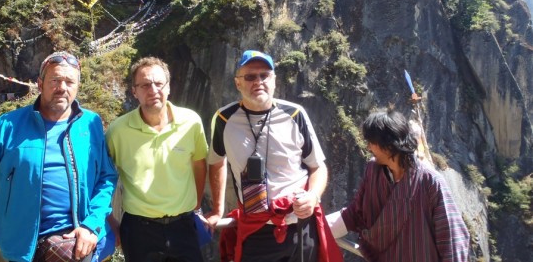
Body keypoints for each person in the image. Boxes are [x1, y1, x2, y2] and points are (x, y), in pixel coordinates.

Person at [0, 51, 118, 262]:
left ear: (77, 87)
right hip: (25, 246)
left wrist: (91, 224)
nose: (62, 88)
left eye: (69, 82)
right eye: (55, 80)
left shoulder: (90, 124)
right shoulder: (7, 126)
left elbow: (106, 177)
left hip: (82, 240)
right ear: (40, 84)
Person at [207, 50, 343, 262]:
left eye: (264, 75)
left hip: (298, 225)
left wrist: (313, 196)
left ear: (274, 80)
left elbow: (318, 167)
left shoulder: (295, 114)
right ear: (237, 83)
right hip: (256, 229)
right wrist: (217, 210)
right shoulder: (224, 119)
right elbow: (216, 162)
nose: (258, 81)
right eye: (250, 77)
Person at [328, 110, 470, 261]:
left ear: (388, 145)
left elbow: (452, 239)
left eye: (371, 143)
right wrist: (318, 226)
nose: (368, 148)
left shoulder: (430, 181)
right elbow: (357, 212)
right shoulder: (373, 170)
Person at [105, 56, 208, 262]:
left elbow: (199, 165)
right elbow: (102, 177)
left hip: (184, 226)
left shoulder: (191, 122)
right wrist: (108, 219)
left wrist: (196, 207)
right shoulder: (118, 131)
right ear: (134, 91)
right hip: (139, 230)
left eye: (159, 83)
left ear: (169, 87)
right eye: (144, 85)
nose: (153, 90)